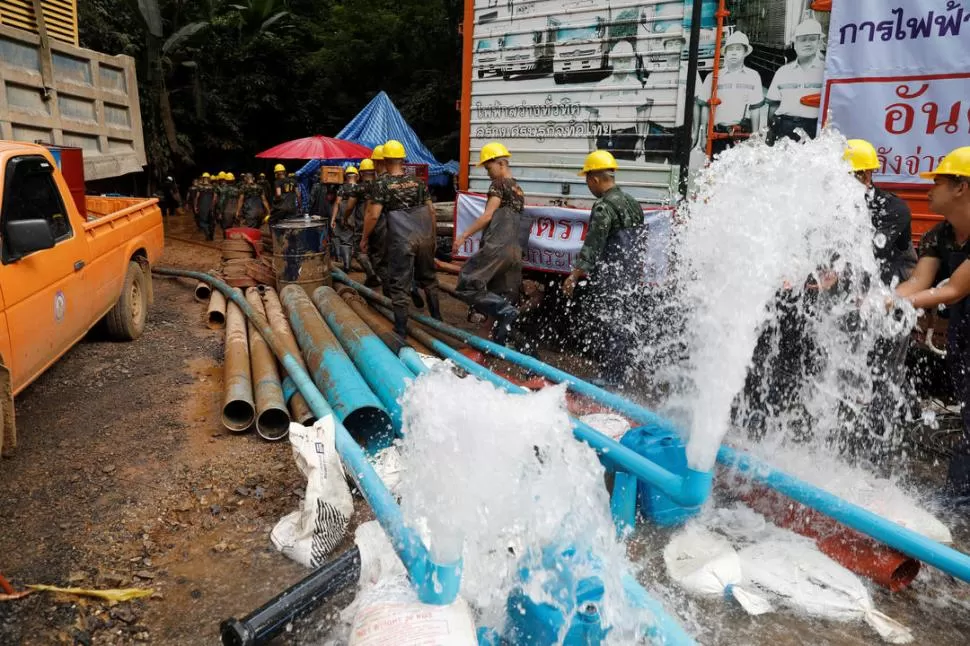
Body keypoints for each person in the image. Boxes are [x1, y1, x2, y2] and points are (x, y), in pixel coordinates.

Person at [894, 147, 970, 502]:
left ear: (961, 187)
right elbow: (918, 283)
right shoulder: (940, 235)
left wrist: (894, 302)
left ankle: (958, 500)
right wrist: (885, 298)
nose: (928, 189)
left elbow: (954, 290)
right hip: (963, 332)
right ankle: (958, 497)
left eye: (937, 182)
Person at [563, 150, 646, 386]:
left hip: (611, 273)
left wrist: (575, 274)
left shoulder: (603, 206)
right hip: (629, 273)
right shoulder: (632, 203)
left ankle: (610, 379)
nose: (588, 185)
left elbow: (594, 244)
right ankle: (619, 374)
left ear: (595, 179)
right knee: (623, 321)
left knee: (610, 323)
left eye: (587, 179)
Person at [363, 140, 440, 337]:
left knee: (400, 284)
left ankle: (400, 330)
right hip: (424, 236)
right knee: (429, 279)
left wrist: (364, 237)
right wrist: (433, 237)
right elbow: (431, 211)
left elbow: (373, 215)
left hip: (401, 239)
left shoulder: (382, 183)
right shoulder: (418, 182)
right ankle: (438, 320)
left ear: (386, 160)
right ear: (403, 159)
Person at [453, 142, 523, 344]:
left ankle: (507, 312)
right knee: (499, 296)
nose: (487, 173)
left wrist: (464, 235)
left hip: (497, 248)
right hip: (514, 253)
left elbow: (488, 215)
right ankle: (500, 347)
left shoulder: (499, 184)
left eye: (488, 167)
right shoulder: (518, 189)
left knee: (468, 284)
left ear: (501, 163)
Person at [844, 139, 916, 286]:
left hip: (894, 277)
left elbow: (871, 252)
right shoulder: (832, 206)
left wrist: (836, 272)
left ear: (865, 176)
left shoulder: (892, 208)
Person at [697, 31, 764, 156]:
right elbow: (705, 108)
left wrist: (755, 136)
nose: (734, 52)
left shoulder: (753, 76)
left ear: (745, 53)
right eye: (730, 49)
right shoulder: (713, 77)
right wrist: (703, 136)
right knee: (715, 171)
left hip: (742, 134)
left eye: (738, 49)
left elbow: (755, 110)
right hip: (717, 134)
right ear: (725, 53)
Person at [766, 19, 825, 145]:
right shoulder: (782, 72)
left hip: (815, 128)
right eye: (802, 40)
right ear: (795, 44)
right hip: (786, 127)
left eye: (812, 39)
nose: (807, 43)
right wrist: (771, 132)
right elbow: (773, 107)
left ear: (820, 42)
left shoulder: (827, 72)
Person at [347, 159, 381, 286]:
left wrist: (345, 218)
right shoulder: (380, 186)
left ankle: (371, 274)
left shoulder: (358, 188)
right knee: (376, 251)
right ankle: (377, 276)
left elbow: (349, 207)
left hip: (362, 225)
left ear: (360, 174)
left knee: (359, 251)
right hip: (378, 225)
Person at [330, 166, 360, 272]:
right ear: (357, 176)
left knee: (342, 240)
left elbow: (337, 203)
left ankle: (345, 264)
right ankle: (348, 264)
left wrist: (333, 219)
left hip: (343, 217)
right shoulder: (360, 188)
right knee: (350, 241)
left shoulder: (342, 188)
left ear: (346, 176)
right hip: (357, 219)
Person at [194, 173, 216, 240]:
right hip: (210, 206)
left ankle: (207, 235)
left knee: (202, 221)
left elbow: (197, 197)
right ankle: (211, 234)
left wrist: (195, 206)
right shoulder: (212, 187)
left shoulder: (199, 187)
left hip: (202, 206)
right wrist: (212, 206)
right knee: (211, 221)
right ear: (209, 178)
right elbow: (215, 198)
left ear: (203, 178)